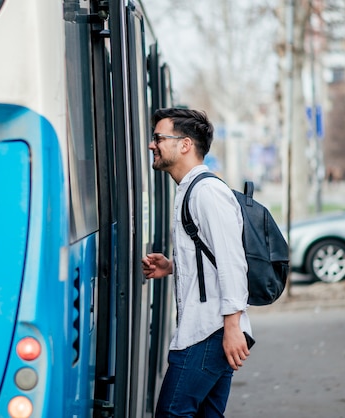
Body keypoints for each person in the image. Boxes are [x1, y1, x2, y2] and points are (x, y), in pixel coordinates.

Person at [142, 108, 252, 417]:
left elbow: (232, 261)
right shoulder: (192, 189)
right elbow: (212, 254)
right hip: (212, 328)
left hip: (210, 330)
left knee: (172, 412)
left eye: (158, 138)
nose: (152, 145)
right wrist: (173, 265)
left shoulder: (206, 192)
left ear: (185, 144)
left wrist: (233, 326)